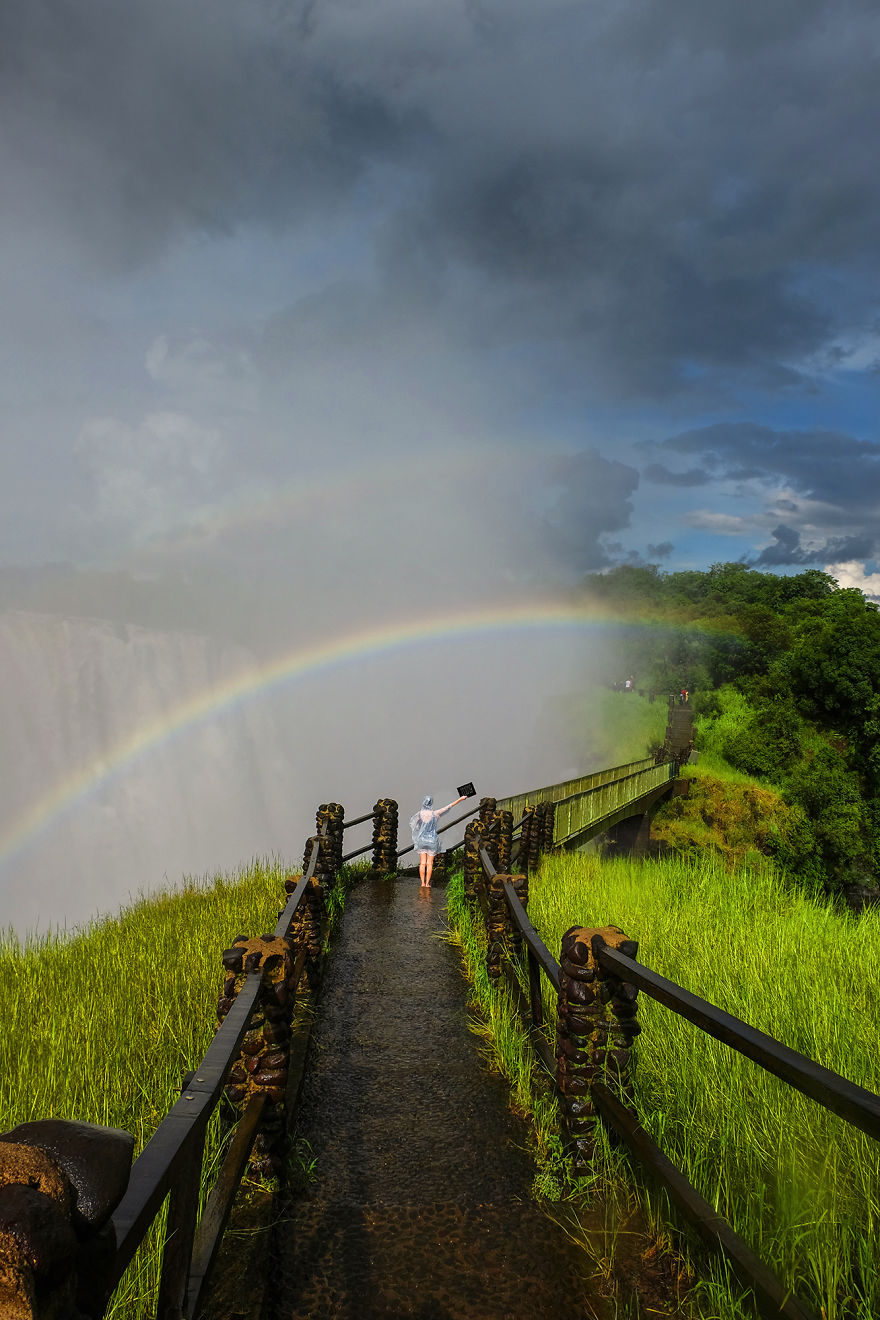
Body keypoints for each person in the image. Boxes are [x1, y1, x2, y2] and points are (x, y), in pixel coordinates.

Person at [409, 793, 466, 888]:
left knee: (422, 862)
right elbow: (449, 807)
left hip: (421, 841)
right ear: (431, 803)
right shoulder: (435, 814)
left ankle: (422, 883)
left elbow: (414, 825)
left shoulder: (419, 814)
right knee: (430, 863)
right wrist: (460, 799)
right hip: (432, 841)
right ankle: (427, 884)